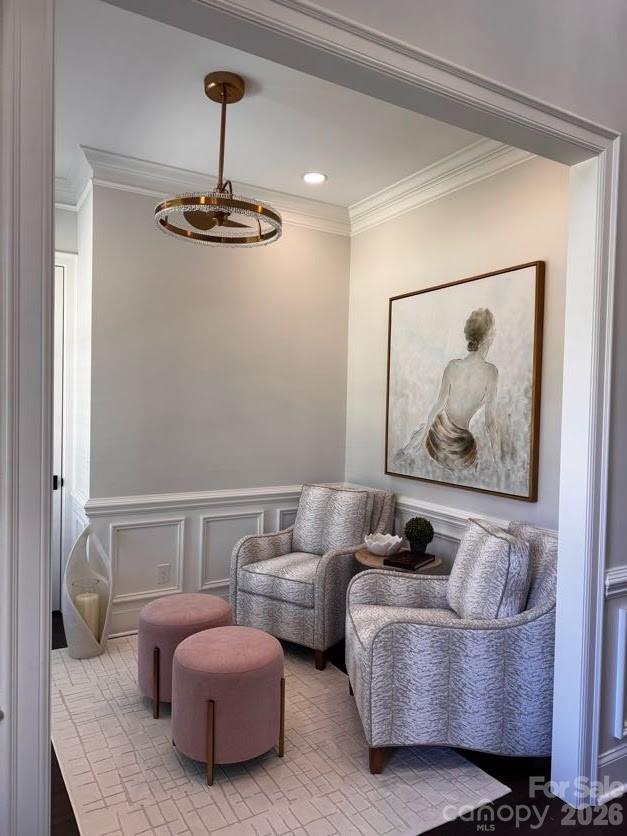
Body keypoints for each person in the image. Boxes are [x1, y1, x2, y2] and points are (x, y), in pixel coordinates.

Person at [399, 307, 499, 471]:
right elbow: (490, 423)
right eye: (493, 330)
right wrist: (498, 463)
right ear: (488, 336)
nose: (495, 334)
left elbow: (438, 404)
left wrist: (424, 437)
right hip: (460, 450)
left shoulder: (453, 365)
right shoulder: (491, 372)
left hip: (436, 437)